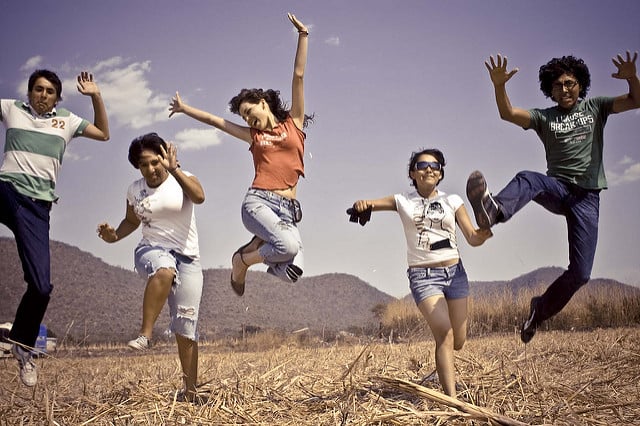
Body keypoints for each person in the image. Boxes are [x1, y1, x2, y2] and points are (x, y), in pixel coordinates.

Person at [467, 51, 640, 344]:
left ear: (580, 85)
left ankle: (539, 311)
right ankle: (494, 210)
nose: (564, 89)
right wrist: (499, 86)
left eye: (570, 83)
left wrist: (632, 77)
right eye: (557, 85)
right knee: (529, 178)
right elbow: (508, 113)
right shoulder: (544, 117)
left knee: (581, 274)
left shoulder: (596, 107)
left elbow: (636, 100)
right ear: (550, 90)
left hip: (587, 199)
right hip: (557, 189)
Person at [168, 13, 312, 296]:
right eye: (244, 117)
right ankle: (242, 260)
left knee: (293, 272)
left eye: (249, 111)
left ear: (263, 103)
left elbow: (298, 76)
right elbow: (215, 121)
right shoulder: (253, 136)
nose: (247, 119)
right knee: (287, 247)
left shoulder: (294, 123)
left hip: (287, 211)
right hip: (259, 203)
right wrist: (185, 109)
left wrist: (303, 36)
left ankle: (254, 248)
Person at [348, 149, 492, 397]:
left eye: (435, 166)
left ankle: (446, 378)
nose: (429, 169)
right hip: (424, 277)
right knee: (445, 334)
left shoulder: (453, 201)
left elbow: (472, 237)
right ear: (412, 173)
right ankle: (453, 402)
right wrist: (362, 205)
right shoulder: (403, 200)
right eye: (423, 165)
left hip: (455, 274)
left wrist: (484, 232)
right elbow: (370, 203)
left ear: (441, 174)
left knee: (458, 341)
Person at [1, 69, 110, 386]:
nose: (43, 95)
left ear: (57, 98)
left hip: (37, 207)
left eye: (49, 91)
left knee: (41, 287)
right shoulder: (11, 109)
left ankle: (22, 346)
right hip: (6, 191)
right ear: (29, 93)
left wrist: (96, 95)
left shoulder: (67, 121)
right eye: (38, 89)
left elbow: (104, 133)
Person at [97, 133, 205, 402]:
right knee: (164, 270)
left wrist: (175, 170)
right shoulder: (134, 190)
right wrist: (113, 236)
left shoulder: (183, 178)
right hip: (152, 249)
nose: (150, 169)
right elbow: (131, 222)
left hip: (188, 258)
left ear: (164, 157)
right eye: (143, 165)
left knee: (186, 330)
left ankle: (190, 393)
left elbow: (199, 197)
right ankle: (146, 334)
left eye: (155, 162)